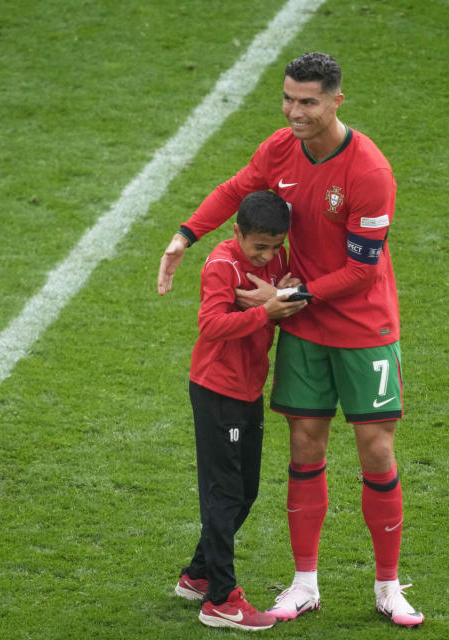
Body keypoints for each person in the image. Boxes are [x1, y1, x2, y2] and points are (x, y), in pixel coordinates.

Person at [159, 52, 423, 628]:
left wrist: (286, 299)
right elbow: (236, 190)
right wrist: (186, 234)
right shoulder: (279, 148)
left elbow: (362, 270)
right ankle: (304, 584)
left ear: (335, 101)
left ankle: (387, 586)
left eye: (308, 101)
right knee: (305, 448)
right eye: (288, 98)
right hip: (302, 327)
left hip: (363, 329)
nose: (295, 111)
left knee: (376, 452)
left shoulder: (369, 173)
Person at [173, 190, 307, 631]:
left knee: (243, 491)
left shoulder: (274, 258)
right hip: (218, 392)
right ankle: (221, 599)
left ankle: (197, 575)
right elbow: (210, 326)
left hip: (247, 389)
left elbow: (282, 294)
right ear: (237, 233)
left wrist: (284, 293)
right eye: (259, 248)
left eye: (274, 246)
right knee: (225, 493)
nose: (268, 256)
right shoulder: (221, 266)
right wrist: (266, 312)